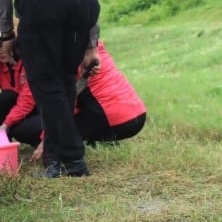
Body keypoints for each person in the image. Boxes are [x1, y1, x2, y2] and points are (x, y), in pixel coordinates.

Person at [0, 0, 101, 178]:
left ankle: (73, 160)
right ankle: (55, 160)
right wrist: (91, 46)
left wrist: (7, 34)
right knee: (65, 80)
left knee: (44, 83)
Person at [2, 40, 146, 154]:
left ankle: (73, 151)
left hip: (111, 116)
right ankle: (96, 139)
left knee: (28, 130)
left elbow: (66, 100)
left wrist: (48, 139)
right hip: (136, 113)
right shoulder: (88, 42)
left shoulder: (57, 52)